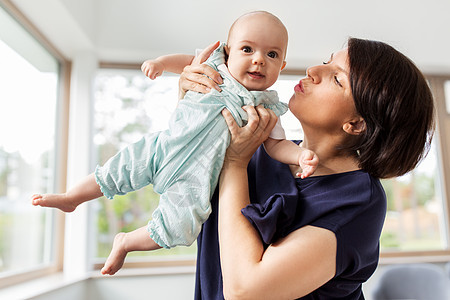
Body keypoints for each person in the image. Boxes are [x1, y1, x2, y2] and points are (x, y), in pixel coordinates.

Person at [31, 11, 318, 276]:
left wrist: (300, 155)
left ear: (282, 65)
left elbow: (276, 146)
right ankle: (73, 197)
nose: (259, 60)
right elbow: (185, 63)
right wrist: (161, 64)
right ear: (228, 52)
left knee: (179, 225)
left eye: (271, 54)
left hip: (197, 177)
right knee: (116, 170)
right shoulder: (215, 70)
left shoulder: (266, 109)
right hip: (164, 146)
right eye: (247, 49)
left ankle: (126, 242)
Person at [179, 37, 435, 299]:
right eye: (326, 61)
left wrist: (234, 163)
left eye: (337, 79)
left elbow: (245, 290)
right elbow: (178, 175)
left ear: (357, 124)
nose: (313, 71)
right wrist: (192, 103)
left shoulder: (357, 202)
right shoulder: (258, 147)